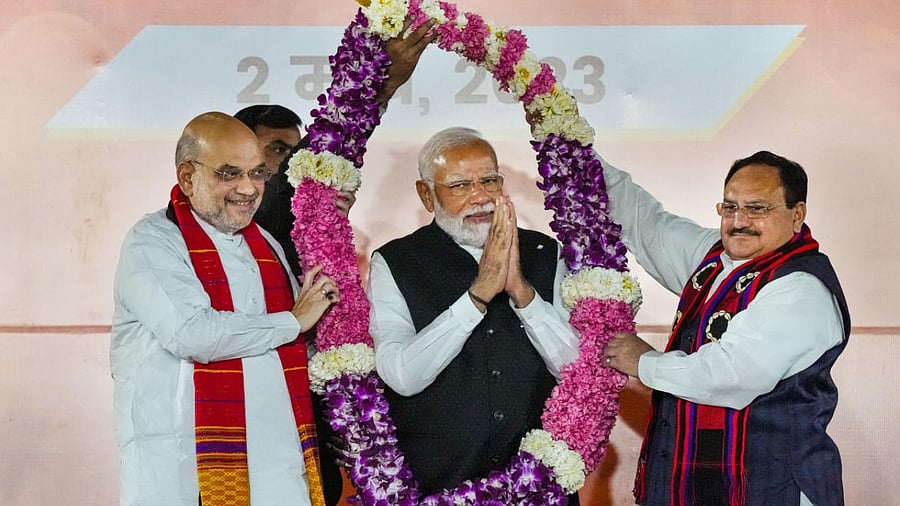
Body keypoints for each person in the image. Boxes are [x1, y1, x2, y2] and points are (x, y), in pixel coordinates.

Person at [232, 20, 435, 505]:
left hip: (307, 405)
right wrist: (381, 87)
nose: (288, 162)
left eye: (294, 151)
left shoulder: (295, 204)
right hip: (241, 403)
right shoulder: (221, 214)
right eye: (276, 149)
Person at [111, 112, 343, 505]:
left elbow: (291, 344)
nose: (248, 189)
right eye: (229, 174)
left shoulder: (265, 243)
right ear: (188, 177)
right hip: (185, 468)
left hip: (277, 462)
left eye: (257, 174)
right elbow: (193, 333)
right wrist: (293, 320)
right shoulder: (152, 241)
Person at [600, 151, 850, 505]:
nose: (739, 221)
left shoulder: (801, 287)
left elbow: (731, 373)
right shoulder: (717, 257)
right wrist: (565, 142)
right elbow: (646, 223)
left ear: (797, 215)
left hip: (771, 492)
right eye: (729, 207)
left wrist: (644, 362)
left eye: (757, 208)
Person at [367, 127, 581, 499]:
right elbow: (401, 374)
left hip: (540, 485)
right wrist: (478, 295)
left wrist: (524, 294)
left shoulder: (544, 251)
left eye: (489, 181)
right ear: (426, 195)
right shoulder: (394, 262)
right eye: (460, 186)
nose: (480, 197)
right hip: (440, 485)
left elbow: (576, 369)